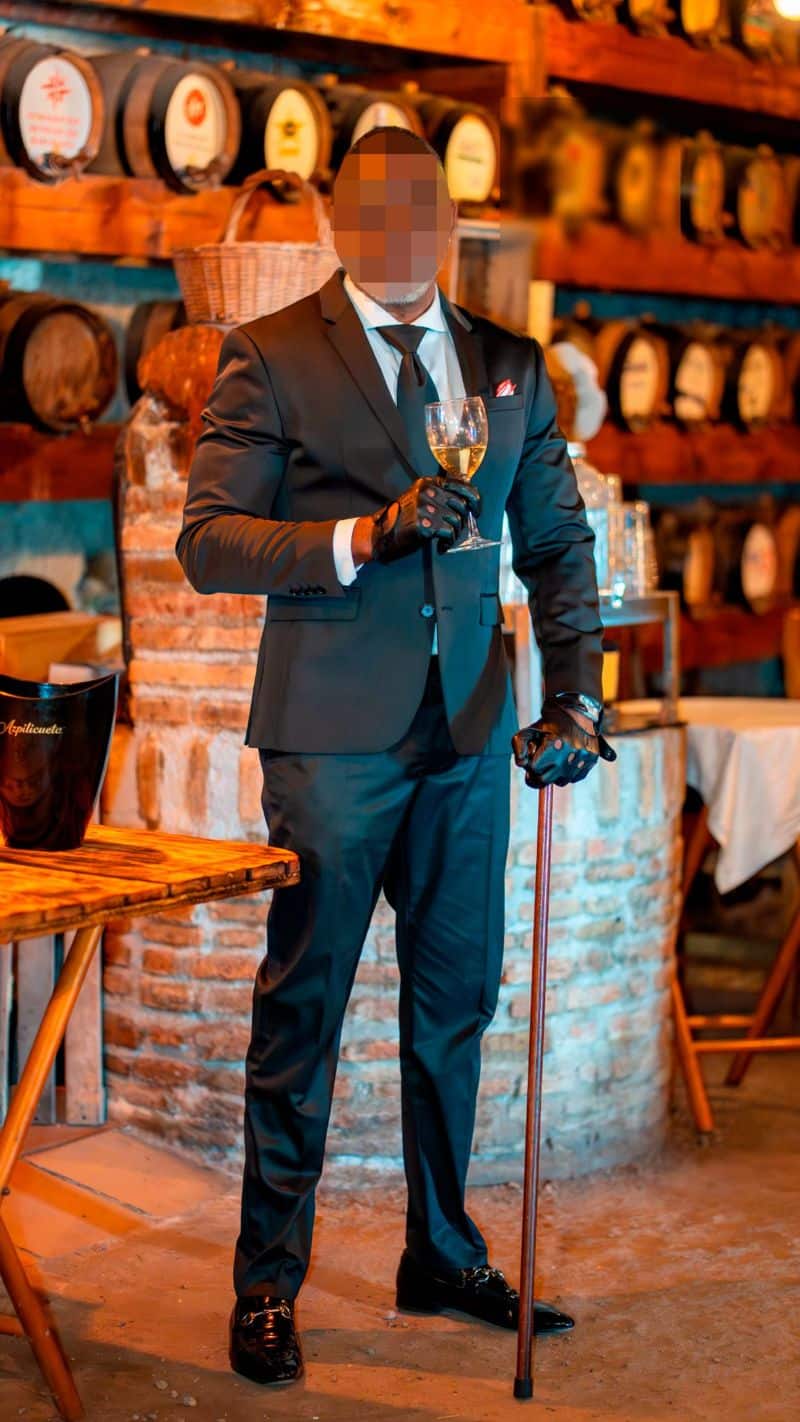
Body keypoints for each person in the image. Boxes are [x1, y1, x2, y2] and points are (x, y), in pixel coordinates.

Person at [176, 126, 614, 1389]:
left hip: (469, 737)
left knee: (454, 1008)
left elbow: (557, 547)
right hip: (330, 740)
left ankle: (440, 1252)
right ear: (342, 222)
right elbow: (208, 540)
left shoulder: (507, 366)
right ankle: (267, 1286)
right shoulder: (272, 352)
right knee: (303, 1010)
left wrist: (575, 701)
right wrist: (362, 536)